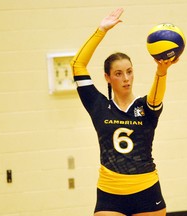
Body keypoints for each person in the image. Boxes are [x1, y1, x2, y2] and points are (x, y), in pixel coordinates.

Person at [71, 8, 178, 216]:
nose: (126, 78)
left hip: (147, 191)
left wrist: (162, 71)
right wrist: (101, 30)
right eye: (118, 74)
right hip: (110, 193)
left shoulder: (145, 107)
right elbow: (77, 65)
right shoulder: (98, 106)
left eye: (129, 72)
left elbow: (156, 98)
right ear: (107, 78)